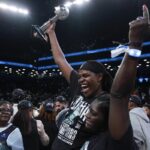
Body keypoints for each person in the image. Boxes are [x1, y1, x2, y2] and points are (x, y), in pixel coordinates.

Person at [80, 4, 150, 150]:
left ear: (108, 119)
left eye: (93, 113)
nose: (86, 115)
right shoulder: (94, 136)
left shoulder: (116, 139)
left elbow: (119, 95)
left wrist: (135, 44)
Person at [46, 19, 113, 149]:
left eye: (86, 75)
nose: (81, 79)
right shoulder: (79, 87)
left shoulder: (105, 101)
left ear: (99, 77)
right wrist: (51, 33)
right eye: (80, 75)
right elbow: (60, 60)